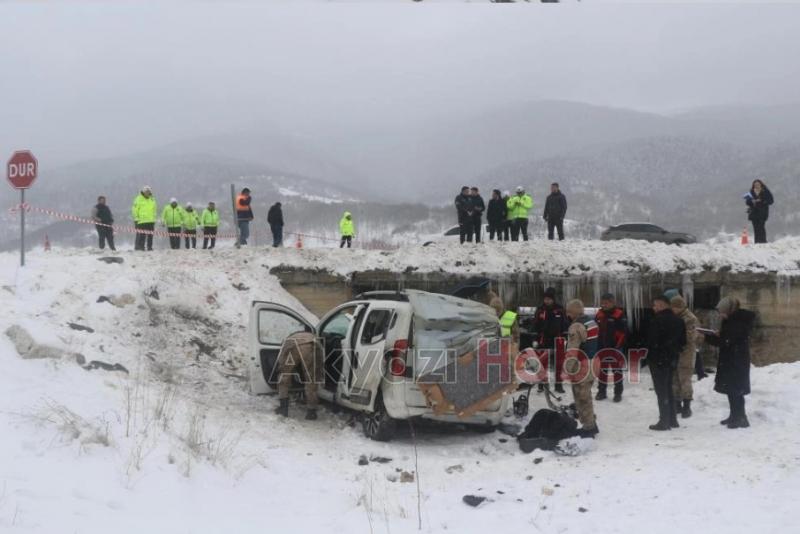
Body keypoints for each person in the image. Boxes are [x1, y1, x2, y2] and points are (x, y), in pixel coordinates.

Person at [702, 297, 755, 429]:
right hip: (732, 359)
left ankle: (741, 418)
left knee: (736, 390)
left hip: (736, 361)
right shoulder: (732, 320)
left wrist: (707, 337)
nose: (721, 314)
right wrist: (719, 335)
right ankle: (734, 415)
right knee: (732, 390)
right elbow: (727, 339)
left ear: (730, 310)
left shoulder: (737, 322)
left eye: (722, 311)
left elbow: (726, 342)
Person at [647, 295, 687, 431]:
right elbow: (683, 342)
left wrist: (652, 354)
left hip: (658, 360)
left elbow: (652, 342)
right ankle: (672, 419)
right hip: (672, 359)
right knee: (669, 388)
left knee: (661, 391)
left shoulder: (656, 321)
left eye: (655, 305)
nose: (653, 307)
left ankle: (664, 421)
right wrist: (673, 351)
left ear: (662, 304)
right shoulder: (679, 320)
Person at [564, 299, 600, 438]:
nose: (568, 315)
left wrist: (567, 368)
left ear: (572, 312)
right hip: (594, 362)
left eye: (568, 312)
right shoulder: (592, 322)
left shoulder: (576, 326)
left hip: (582, 365)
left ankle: (588, 428)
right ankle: (591, 423)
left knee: (581, 397)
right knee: (586, 394)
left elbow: (572, 350)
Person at [274, 331, 324, 421]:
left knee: (284, 375)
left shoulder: (288, 341)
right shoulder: (312, 336)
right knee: (311, 379)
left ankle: (283, 408)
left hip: (293, 346)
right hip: (314, 344)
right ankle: (311, 411)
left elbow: (281, 365)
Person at [532, 287, 567, 393]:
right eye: (545, 299)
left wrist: (565, 337)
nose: (546, 301)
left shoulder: (560, 309)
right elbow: (535, 326)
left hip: (557, 340)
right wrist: (536, 339)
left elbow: (565, 324)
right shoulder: (540, 310)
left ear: (553, 299)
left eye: (549, 299)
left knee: (559, 364)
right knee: (543, 363)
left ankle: (558, 385)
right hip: (544, 340)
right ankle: (542, 384)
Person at [670, 295, 700, 418]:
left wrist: (675, 338)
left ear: (679, 307)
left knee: (685, 379)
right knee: (675, 379)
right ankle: (677, 404)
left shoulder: (690, 318)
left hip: (686, 353)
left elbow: (691, 337)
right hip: (676, 352)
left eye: (673, 307)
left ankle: (687, 406)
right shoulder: (676, 317)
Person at [595, 293, 627, 402]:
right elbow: (595, 331)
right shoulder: (599, 314)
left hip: (615, 348)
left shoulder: (619, 314)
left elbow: (623, 333)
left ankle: (618, 393)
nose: (604, 305)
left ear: (612, 303)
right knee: (602, 371)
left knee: (616, 371)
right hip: (601, 347)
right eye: (602, 303)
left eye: (606, 303)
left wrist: (617, 347)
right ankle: (601, 391)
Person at [745, 179, 774, 244]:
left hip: (762, 212)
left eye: (758, 184)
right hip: (753, 212)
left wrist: (762, 201)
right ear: (753, 185)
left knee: (761, 227)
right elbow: (747, 202)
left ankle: (763, 241)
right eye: (755, 184)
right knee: (755, 228)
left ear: (761, 184)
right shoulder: (751, 192)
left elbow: (771, 201)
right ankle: (757, 242)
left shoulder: (766, 191)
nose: (756, 185)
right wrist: (752, 201)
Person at [132, 186, 157, 251]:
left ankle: (149, 247)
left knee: (150, 235)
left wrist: (154, 218)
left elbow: (154, 210)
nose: (147, 193)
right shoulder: (138, 199)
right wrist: (136, 219)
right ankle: (141, 247)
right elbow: (134, 209)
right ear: (143, 192)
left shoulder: (152, 199)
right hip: (141, 221)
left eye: (149, 191)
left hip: (150, 221)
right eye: (146, 191)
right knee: (142, 235)